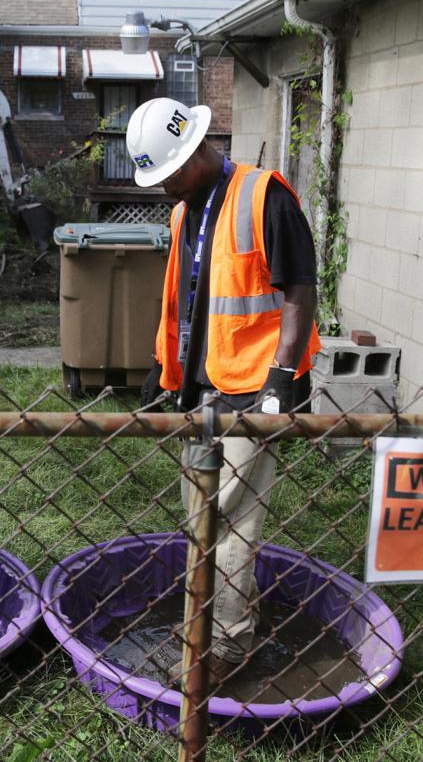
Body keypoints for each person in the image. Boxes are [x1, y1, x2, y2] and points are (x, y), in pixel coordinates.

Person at [129, 97, 321, 686]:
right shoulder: (185, 213)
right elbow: (187, 300)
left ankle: (229, 646)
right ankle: (204, 620)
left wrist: (281, 380)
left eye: (168, 175)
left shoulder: (265, 197)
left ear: (194, 155)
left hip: (255, 388)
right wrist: (164, 370)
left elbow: (300, 289)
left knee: (231, 518)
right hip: (202, 388)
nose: (163, 188)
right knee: (200, 512)